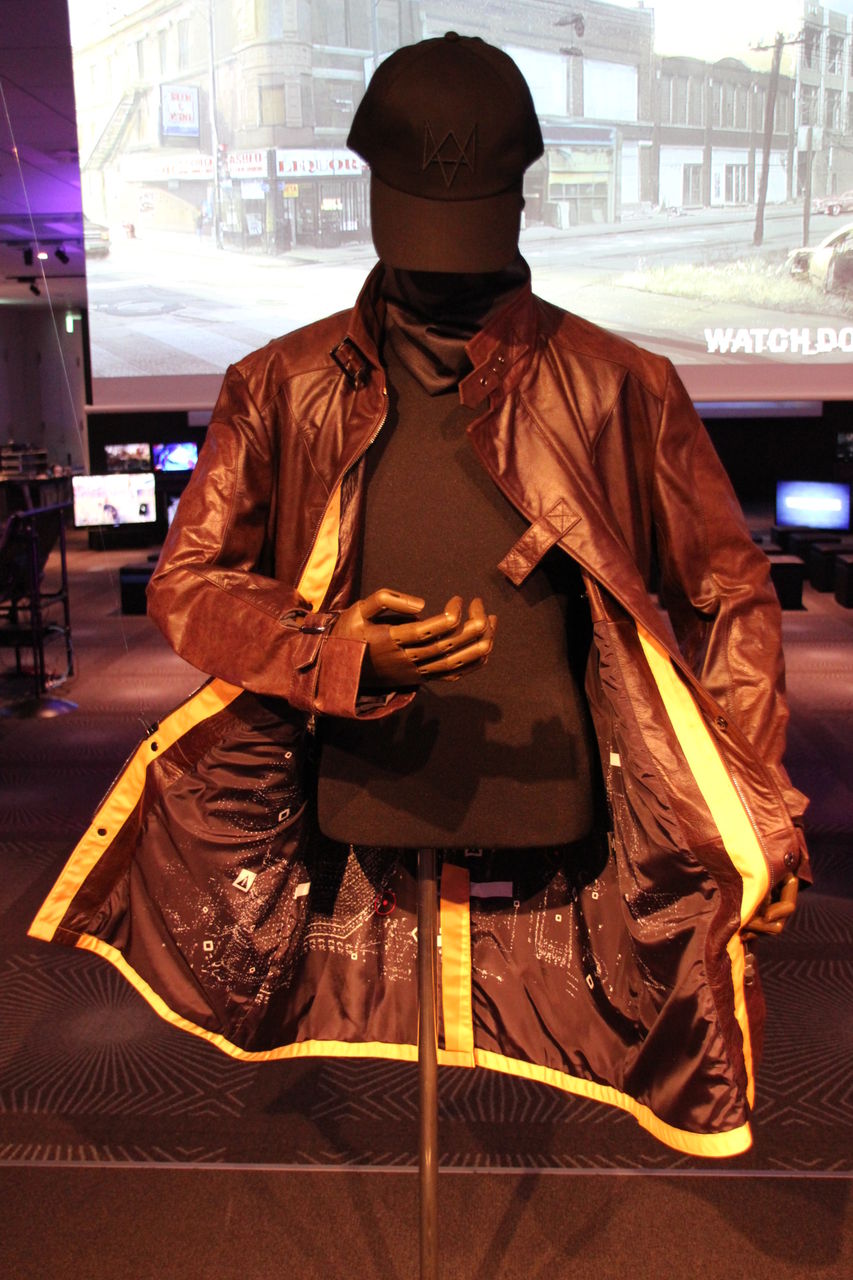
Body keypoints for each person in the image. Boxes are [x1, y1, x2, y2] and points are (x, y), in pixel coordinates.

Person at [31, 34, 807, 1159]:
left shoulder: (621, 384)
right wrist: (326, 650)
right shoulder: (280, 383)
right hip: (363, 779)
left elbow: (728, 593)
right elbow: (188, 582)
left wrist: (755, 801)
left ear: (521, 196)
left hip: (557, 785)